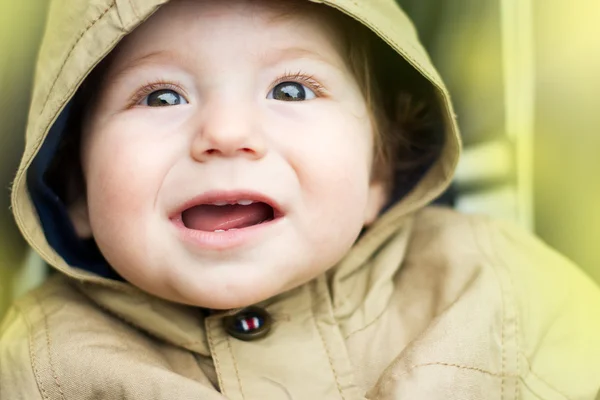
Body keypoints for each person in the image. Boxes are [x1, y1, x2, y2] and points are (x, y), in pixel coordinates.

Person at [1, 0, 599, 398]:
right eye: (161, 97)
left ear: (378, 171)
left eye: (290, 89)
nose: (227, 134)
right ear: (74, 187)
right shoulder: (40, 361)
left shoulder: (500, 284)